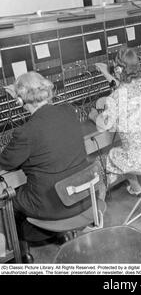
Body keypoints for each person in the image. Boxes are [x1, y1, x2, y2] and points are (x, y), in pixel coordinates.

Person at [0, 72, 91, 261]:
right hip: (83, 196)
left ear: (19, 101)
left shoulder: (25, 132)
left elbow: (6, 161)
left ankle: (21, 254)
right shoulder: (68, 111)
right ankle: (58, 235)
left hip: (54, 207)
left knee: (9, 202)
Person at [89, 48, 141, 196]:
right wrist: (107, 73)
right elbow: (125, 87)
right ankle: (136, 188)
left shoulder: (115, 96)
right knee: (126, 149)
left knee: (101, 161)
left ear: (118, 69)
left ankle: (99, 209)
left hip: (138, 160)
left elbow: (103, 125)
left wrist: (94, 116)